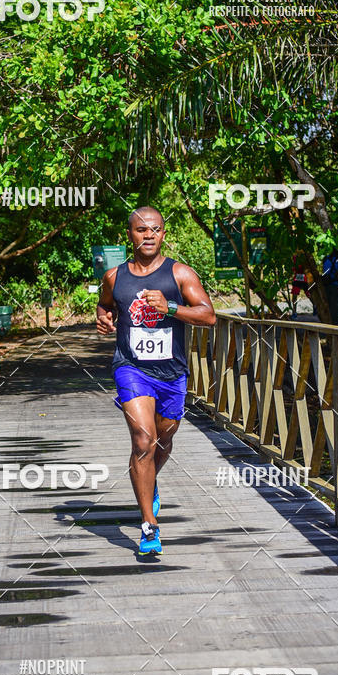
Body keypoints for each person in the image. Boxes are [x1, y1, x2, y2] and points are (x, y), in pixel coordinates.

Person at [96, 207, 216, 555]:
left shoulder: (179, 273)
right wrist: (103, 319)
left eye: (155, 230)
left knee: (163, 439)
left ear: (164, 234)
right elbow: (105, 306)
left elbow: (209, 316)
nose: (148, 235)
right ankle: (149, 526)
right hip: (131, 368)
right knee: (143, 441)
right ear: (129, 234)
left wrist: (171, 308)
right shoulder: (114, 277)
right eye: (140, 230)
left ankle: (150, 483)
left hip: (172, 372)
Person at [322, 248, 338, 324]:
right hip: (335, 285)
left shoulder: (325, 259)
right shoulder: (336, 260)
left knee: (329, 305)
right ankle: (334, 323)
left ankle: (328, 322)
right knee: (335, 306)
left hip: (326, 285)